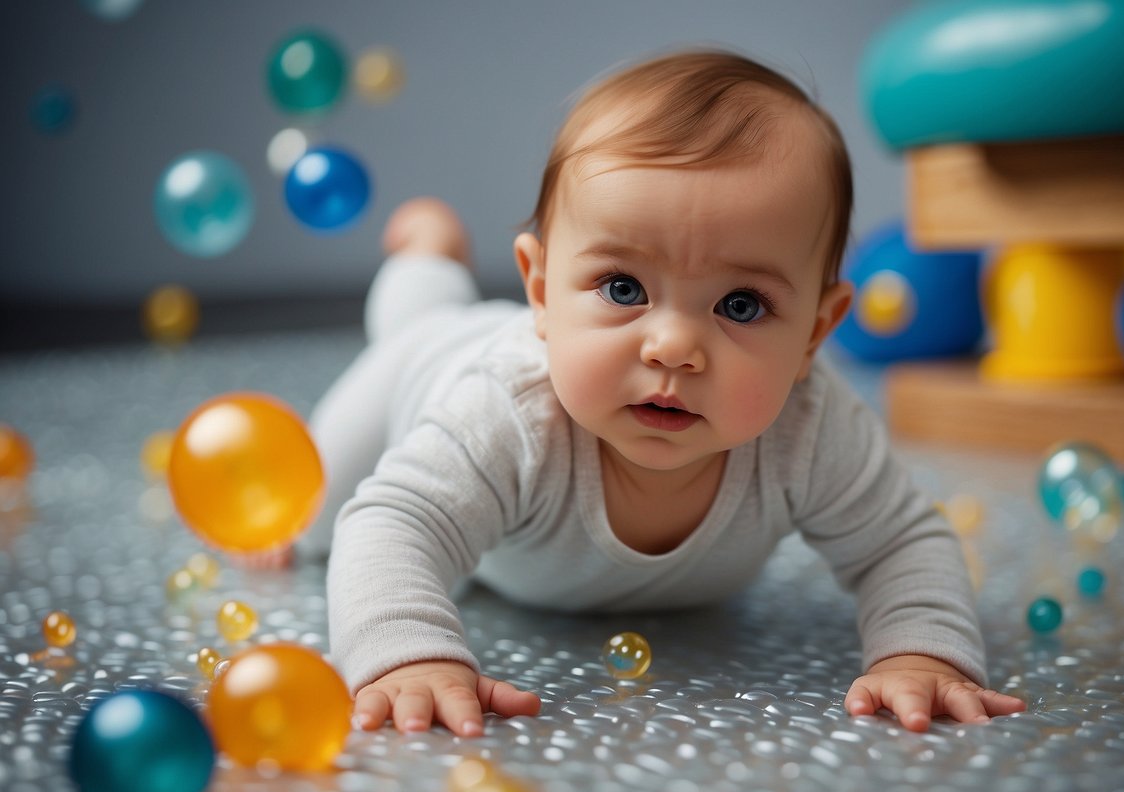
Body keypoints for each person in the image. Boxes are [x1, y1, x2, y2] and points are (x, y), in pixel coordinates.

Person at [308, 49, 1026, 737]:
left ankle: (441, 269)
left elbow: (901, 542)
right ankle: (424, 257)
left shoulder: (811, 428)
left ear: (814, 332)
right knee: (312, 505)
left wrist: (922, 654)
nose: (673, 347)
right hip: (423, 365)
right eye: (623, 289)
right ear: (541, 289)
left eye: (740, 305)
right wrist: (411, 655)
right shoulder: (506, 412)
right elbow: (392, 524)